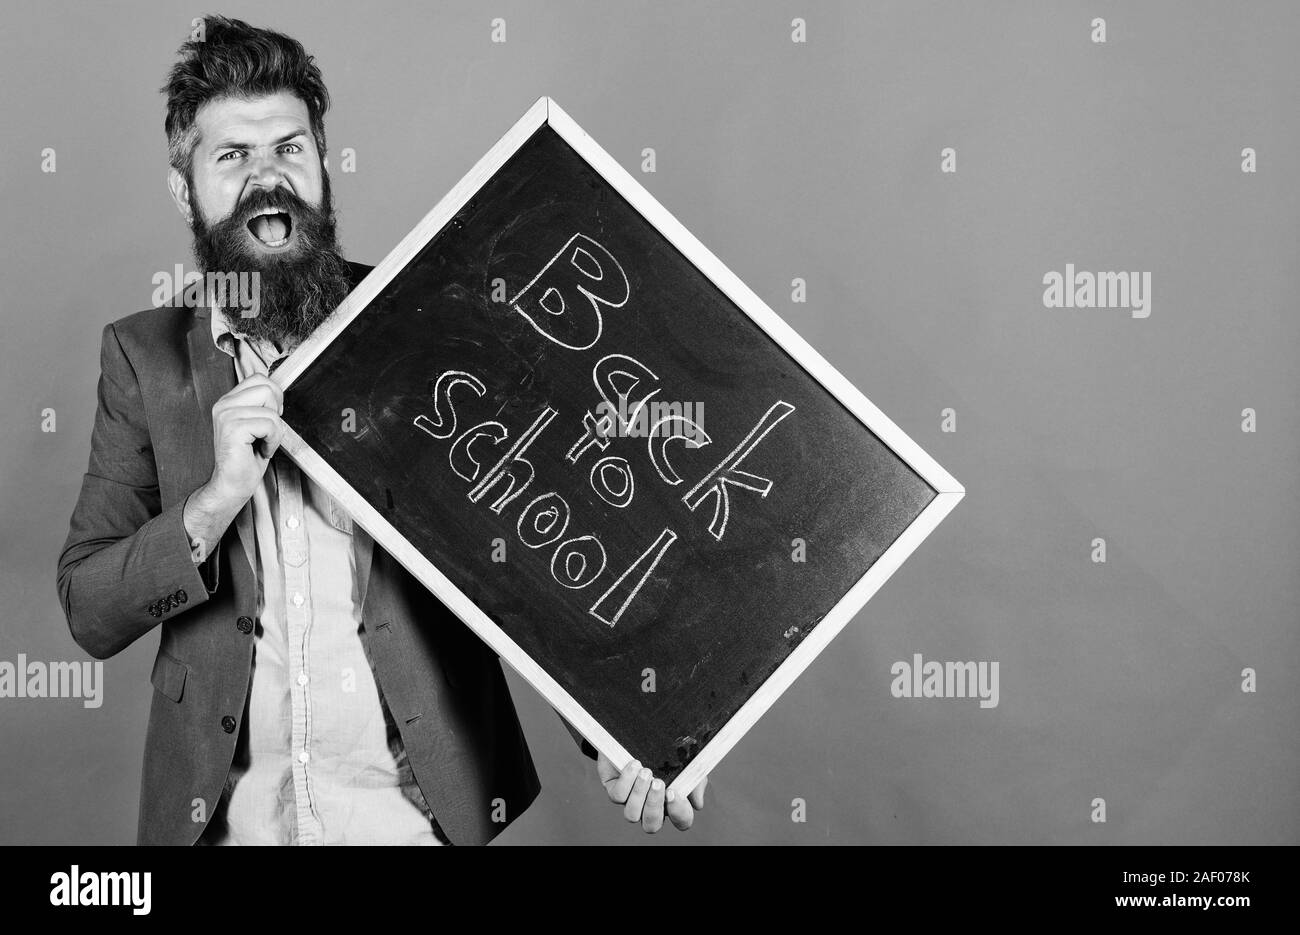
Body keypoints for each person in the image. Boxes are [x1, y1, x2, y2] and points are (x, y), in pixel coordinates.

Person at [55, 14, 706, 845]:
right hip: (223, 828)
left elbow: (538, 545)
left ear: (324, 162)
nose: (269, 179)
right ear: (185, 188)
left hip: (412, 822)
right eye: (232, 156)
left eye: (290, 148)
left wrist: (625, 734)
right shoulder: (143, 360)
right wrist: (212, 505)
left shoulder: (426, 325)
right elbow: (87, 605)